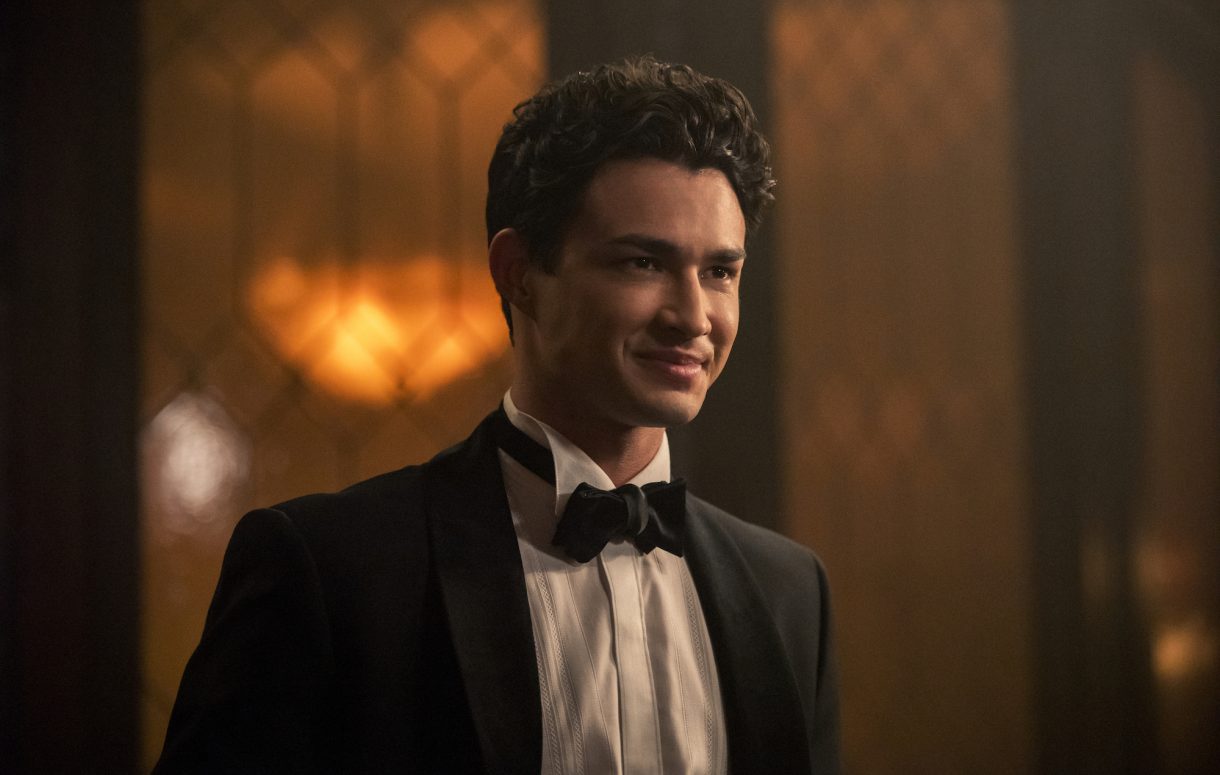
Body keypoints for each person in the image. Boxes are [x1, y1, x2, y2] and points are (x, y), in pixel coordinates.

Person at [155, 55, 840, 774]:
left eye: (719, 271)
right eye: (642, 262)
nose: (693, 316)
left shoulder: (791, 592)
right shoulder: (330, 571)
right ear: (518, 273)